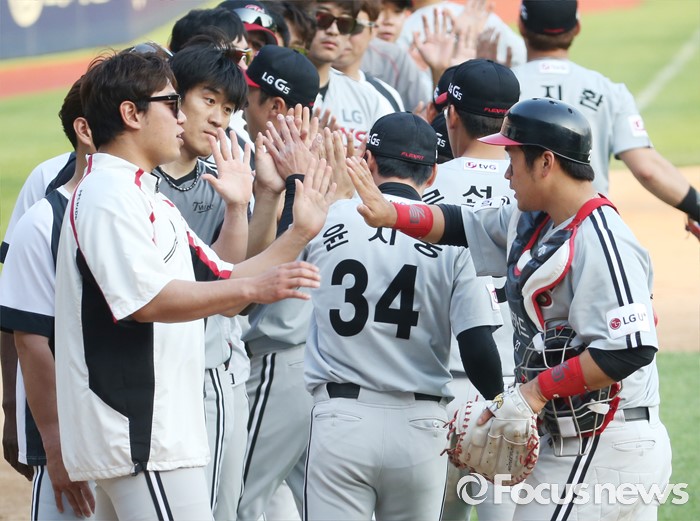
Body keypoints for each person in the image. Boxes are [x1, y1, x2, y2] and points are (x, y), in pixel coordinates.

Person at [348, 97, 673, 521]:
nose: (506, 174)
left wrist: (533, 393)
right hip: (577, 438)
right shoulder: (536, 219)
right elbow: (461, 225)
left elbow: (629, 349)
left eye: (513, 161)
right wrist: (392, 214)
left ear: (545, 163)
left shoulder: (601, 240)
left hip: (607, 444)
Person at [53, 50, 332, 519]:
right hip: (141, 433)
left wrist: (299, 231)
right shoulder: (107, 195)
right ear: (131, 114)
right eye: (171, 104)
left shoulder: (143, 195)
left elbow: (221, 275)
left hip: (150, 432)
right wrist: (255, 289)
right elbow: (150, 301)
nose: (183, 118)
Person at [302, 112, 503, 519]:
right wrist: (500, 404)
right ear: (432, 173)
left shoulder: (324, 220)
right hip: (421, 427)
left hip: (341, 419)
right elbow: (477, 343)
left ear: (368, 160)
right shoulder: (452, 240)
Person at [154, 37, 251, 520]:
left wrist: (237, 207)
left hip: (205, 369)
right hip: (139, 370)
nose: (218, 118)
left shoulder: (224, 179)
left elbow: (226, 292)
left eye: (228, 109)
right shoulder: (133, 177)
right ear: (176, 97)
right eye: (208, 100)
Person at [424, 58, 522, 521]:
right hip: (513, 394)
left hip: (432, 390)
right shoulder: (534, 191)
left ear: (452, 115)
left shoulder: (425, 186)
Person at [0, 77, 97, 519]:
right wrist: (13, 410)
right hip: (66, 423)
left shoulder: (159, 194)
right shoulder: (47, 194)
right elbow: (21, 318)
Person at [513, 0, 699, 226]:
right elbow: (648, 169)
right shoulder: (609, 91)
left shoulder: (501, 88)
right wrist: (696, 207)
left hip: (512, 229)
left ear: (521, 26)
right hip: (585, 228)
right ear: (577, 28)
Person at [307, 0, 394, 145]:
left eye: (344, 23)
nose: (333, 30)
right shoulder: (271, 80)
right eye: (323, 18)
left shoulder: (371, 99)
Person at [332, 0, 405, 112]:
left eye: (354, 26)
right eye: (326, 21)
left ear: (374, 30)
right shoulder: (303, 86)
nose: (338, 33)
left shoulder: (386, 97)